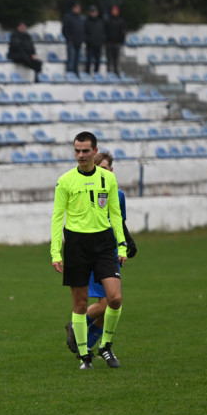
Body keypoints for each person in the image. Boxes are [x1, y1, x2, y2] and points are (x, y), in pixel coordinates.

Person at [50, 131, 128, 369]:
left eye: (85, 151)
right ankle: (85, 357)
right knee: (80, 305)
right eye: (77, 150)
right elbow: (56, 218)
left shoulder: (108, 179)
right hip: (76, 245)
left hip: (104, 243)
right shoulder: (65, 181)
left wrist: (122, 244)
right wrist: (56, 252)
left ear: (95, 151)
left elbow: (115, 214)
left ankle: (105, 345)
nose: (81, 155)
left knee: (114, 298)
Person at [65, 150, 136, 360]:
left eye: (106, 168)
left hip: (110, 251)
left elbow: (118, 220)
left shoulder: (117, 193)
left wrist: (127, 242)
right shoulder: (83, 190)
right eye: (100, 168)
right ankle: (78, 326)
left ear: (111, 170)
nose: (102, 172)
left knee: (111, 305)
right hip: (91, 250)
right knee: (107, 303)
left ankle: (87, 347)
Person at [61, 3, 85, 75]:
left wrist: (82, 39)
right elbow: (64, 30)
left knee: (77, 60)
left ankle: (76, 73)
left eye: (79, 8)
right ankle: (70, 74)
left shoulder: (81, 18)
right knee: (71, 59)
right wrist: (69, 39)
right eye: (77, 8)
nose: (78, 9)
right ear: (73, 8)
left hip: (79, 42)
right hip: (71, 42)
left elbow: (83, 29)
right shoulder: (68, 17)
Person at [104, 5, 127, 74]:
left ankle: (116, 72)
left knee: (116, 59)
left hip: (117, 43)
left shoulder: (121, 21)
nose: (114, 12)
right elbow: (105, 31)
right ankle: (108, 72)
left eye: (115, 10)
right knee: (109, 59)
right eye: (113, 10)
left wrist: (121, 41)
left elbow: (122, 32)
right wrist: (106, 41)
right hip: (109, 43)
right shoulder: (108, 21)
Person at [84, 5, 105, 74]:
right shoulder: (86, 22)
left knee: (98, 61)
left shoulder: (100, 22)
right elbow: (84, 33)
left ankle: (96, 74)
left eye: (95, 11)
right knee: (88, 61)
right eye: (92, 11)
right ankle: (87, 74)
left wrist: (101, 40)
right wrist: (88, 40)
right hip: (90, 45)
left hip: (98, 45)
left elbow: (102, 32)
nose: (94, 13)